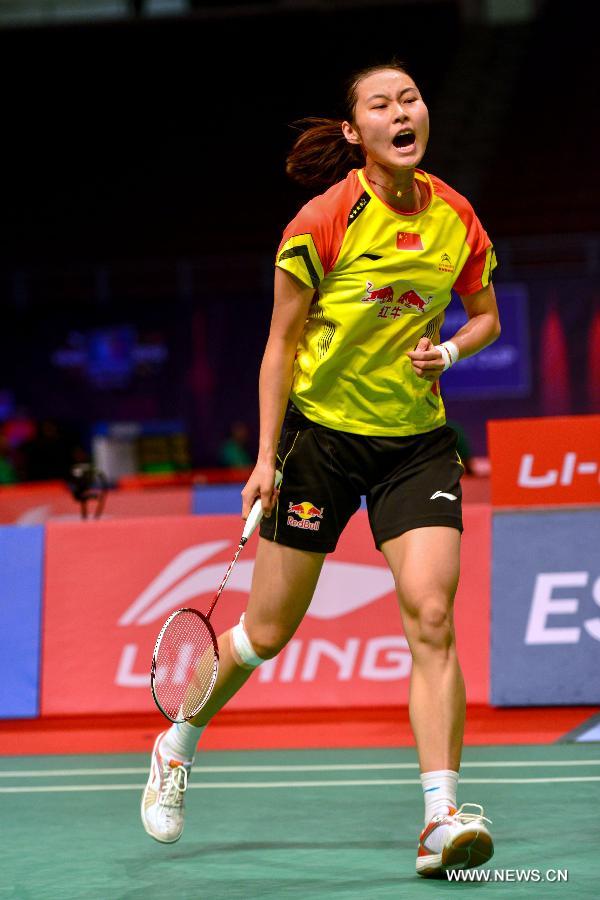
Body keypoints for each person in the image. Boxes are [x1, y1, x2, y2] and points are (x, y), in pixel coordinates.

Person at [142, 61, 500, 878]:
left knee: (433, 617)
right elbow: (279, 345)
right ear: (354, 133)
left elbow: (486, 317)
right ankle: (177, 741)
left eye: (410, 99)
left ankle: (440, 819)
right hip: (322, 441)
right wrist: (266, 457)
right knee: (264, 635)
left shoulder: (458, 217)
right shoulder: (322, 219)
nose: (401, 112)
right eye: (381, 104)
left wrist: (447, 349)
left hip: (415, 441)